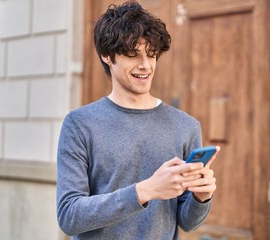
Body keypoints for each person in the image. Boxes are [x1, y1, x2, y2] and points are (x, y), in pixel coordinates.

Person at [56, 1, 220, 239]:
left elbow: (187, 222)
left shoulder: (186, 126)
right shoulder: (79, 124)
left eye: (151, 54)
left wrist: (201, 198)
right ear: (107, 56)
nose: (145, 65)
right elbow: (69, 216)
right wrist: (145, 190)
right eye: (133, 54)